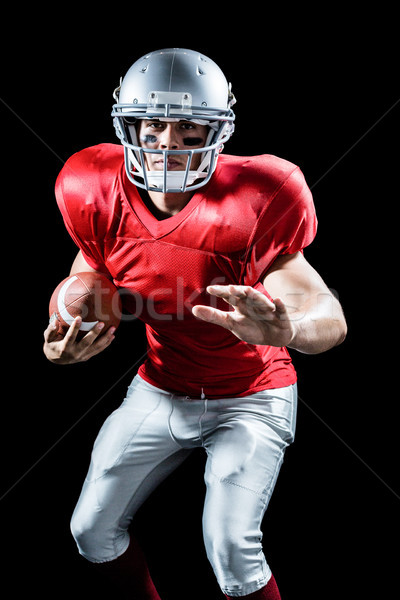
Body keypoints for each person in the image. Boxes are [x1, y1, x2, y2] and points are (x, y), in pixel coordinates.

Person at [43, 48, 347, 599]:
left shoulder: (261, 196)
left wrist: (289, 331)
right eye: (153, 124)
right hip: (162, 386)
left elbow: (325, 312)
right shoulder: (92, 187)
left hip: (252, 394)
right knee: (89, 531)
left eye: (189, 128)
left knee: (231, 549)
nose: (166, 144)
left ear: (218, 131)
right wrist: (66, 324)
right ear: (128, 124)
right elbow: (90, 272)